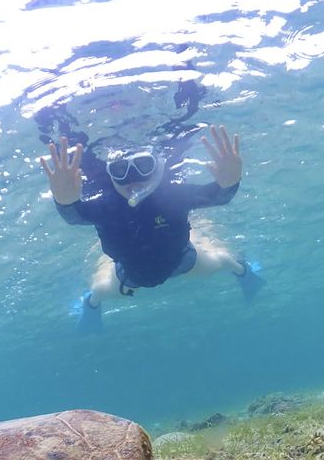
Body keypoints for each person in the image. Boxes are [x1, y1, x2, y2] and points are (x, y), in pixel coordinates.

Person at [39, 125, 263, 332]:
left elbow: (217, 196)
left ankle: (245, 272)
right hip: (130, 275)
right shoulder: (107, 207)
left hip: (185, 260)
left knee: (224, 261)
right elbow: (75, 216)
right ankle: (90, 305)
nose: (132, 180)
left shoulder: (173, 196)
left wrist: (229, 182)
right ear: (110, 175)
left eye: (143, 167)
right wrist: (65, 201)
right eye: (120, 171)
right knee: (98, 292)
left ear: (157, 169)